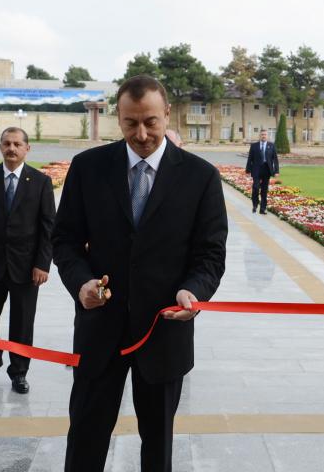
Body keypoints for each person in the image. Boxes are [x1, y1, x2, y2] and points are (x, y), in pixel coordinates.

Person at [53, 74, 228, 471]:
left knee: (158, 445)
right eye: (131, 123)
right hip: (100, 331)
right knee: (85, 436)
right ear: (119, 117)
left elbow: (210, 255)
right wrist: (81, 284)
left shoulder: (200, 177)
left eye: (151, 121)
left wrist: (192, 292)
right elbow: (64, 241)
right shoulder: (88, 168)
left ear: (167, 114)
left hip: (164, 330)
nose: (142, 133)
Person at [0, 127, 56, 394]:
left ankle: (18, 371)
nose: (11, 149)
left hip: (26, 267)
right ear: (0, 146)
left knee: (22, 321)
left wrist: (42, 263)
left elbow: (48, 227)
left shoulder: (40, 182)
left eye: (17, 144)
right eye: (6, 143)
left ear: (27, 148)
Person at [245, 129, 278, 214]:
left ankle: (262, 209)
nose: (263, 136)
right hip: (256, 169)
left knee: (264, 190)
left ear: (267, 136)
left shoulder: (271, 145)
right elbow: (250, 159)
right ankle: (255, 205)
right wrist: (248, 170)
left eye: (265, 135)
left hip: (267, 170)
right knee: (255, 188)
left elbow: (275, 159)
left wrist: (276, 171)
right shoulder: (254, 146)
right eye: (262, 134)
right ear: (260, 136)